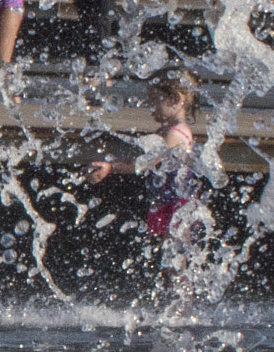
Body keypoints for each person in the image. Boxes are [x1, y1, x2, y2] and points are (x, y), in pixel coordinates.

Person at [85, 75, 203, 237]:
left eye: (154, 101)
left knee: (180, 252)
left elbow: (145, 163)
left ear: (174, 100)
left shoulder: (175, 134)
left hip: (177, 206)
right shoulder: (165, 131)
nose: (151, 107)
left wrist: (112, 167)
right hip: (164, 202)